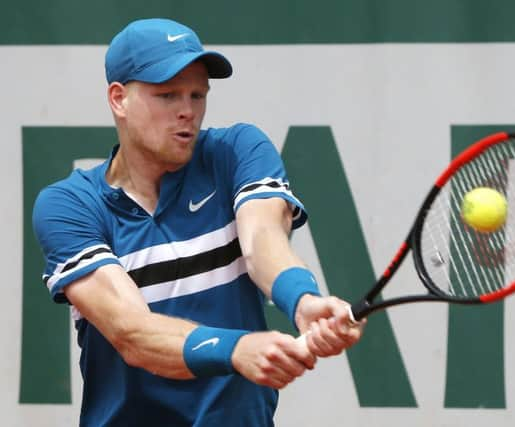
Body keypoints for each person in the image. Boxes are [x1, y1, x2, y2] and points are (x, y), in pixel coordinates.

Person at [32, 18, 362, 427]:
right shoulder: (70, 205)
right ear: (118, 99)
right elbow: (132, 333)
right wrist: (236, 349)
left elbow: (262, 241)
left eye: (197, 94)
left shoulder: (236, 151)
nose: (187, 111)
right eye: (167, 95)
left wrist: (303, 300)